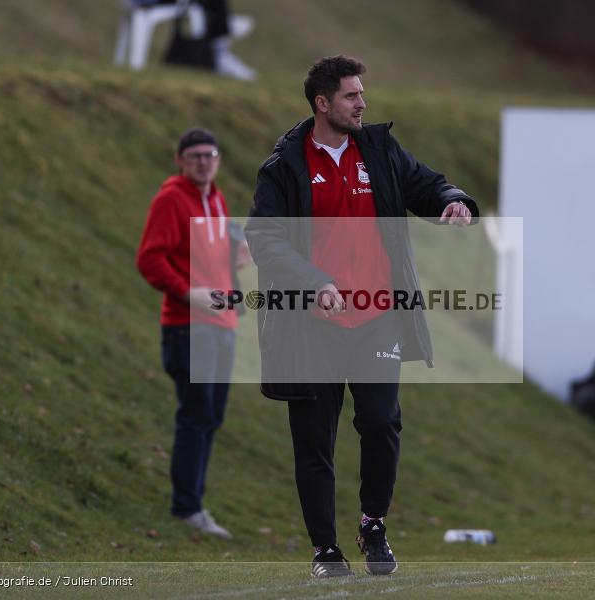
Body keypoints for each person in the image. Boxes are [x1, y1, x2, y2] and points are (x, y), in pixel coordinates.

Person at [245, 55, 477, 577]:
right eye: (351, 96)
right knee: (314, 438)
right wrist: (315, 283)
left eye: (361, 94)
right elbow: (262, 237)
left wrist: (452, 201)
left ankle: (373, 525)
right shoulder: (284, 166)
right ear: (323, 103)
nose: (362, 103)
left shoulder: (378, 147)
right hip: (311, 326)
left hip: (376, 318)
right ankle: (325, 548)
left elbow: (426, 183)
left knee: (380, 422)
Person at [136, 128, 250, 537]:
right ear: (180, 160)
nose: (204, 161)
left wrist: (239, 260)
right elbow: (150, 259)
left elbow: (214, 257)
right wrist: (188, 294)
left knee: (211, 416)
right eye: (196, 155)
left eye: (210, 154)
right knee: (196, 414)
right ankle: (187, 508)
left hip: (221, 325)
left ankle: (193, 504)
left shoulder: (216, 199)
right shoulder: (171, 199)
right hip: (187, 327)